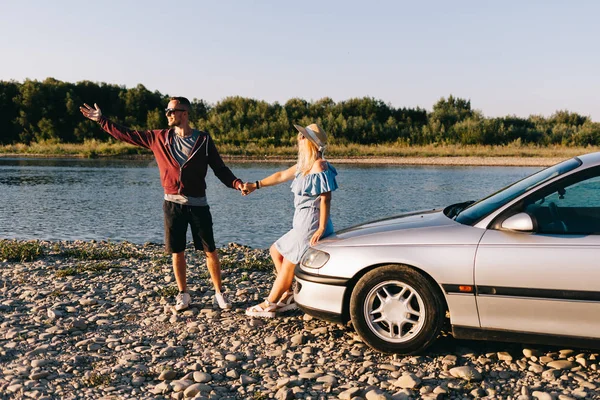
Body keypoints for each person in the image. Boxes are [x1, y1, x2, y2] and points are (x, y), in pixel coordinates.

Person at [80, 97, 243, 311]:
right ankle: (183, 294)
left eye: (171, 111)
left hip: (199, 204)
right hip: (172, 204)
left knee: (210, 250)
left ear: (184, 113)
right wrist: (102, 121)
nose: (167, 114)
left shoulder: (203, 140)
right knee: (177, 251)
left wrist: (237, 183)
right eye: (166, 111)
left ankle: (219, 294)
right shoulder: (158, 137)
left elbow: (220, 169)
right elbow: (128, 135)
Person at [242, 123, 338, 318]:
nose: (299, 139)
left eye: (303, 137)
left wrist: (320, 228)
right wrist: (255, 185)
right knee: (275, 250)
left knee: (288, 263)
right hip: (301, 222)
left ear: (311, 142)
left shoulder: (319, 165)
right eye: (300, 136)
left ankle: (270, 304)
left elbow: (326, 198)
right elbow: (280, 176)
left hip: (311, 223)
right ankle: (288, 294)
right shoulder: (303, 165)